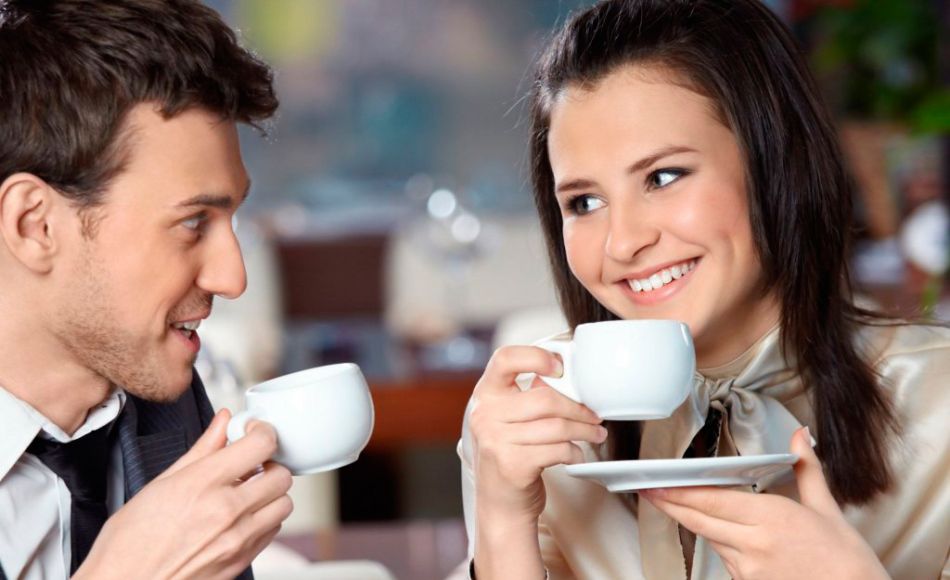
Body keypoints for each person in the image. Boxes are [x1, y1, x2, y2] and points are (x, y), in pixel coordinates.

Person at [458, 0, 950, 579]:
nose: (622, 242)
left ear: (774, 162)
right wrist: (501, 520)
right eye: (584, 202)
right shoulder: (534, 420)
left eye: (663, 177)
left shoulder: (938, 404)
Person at [0, 1, 293, 579]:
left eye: (231, 217)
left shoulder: (169, 409)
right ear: (34, 224)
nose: (233, 279)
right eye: (193, 223)